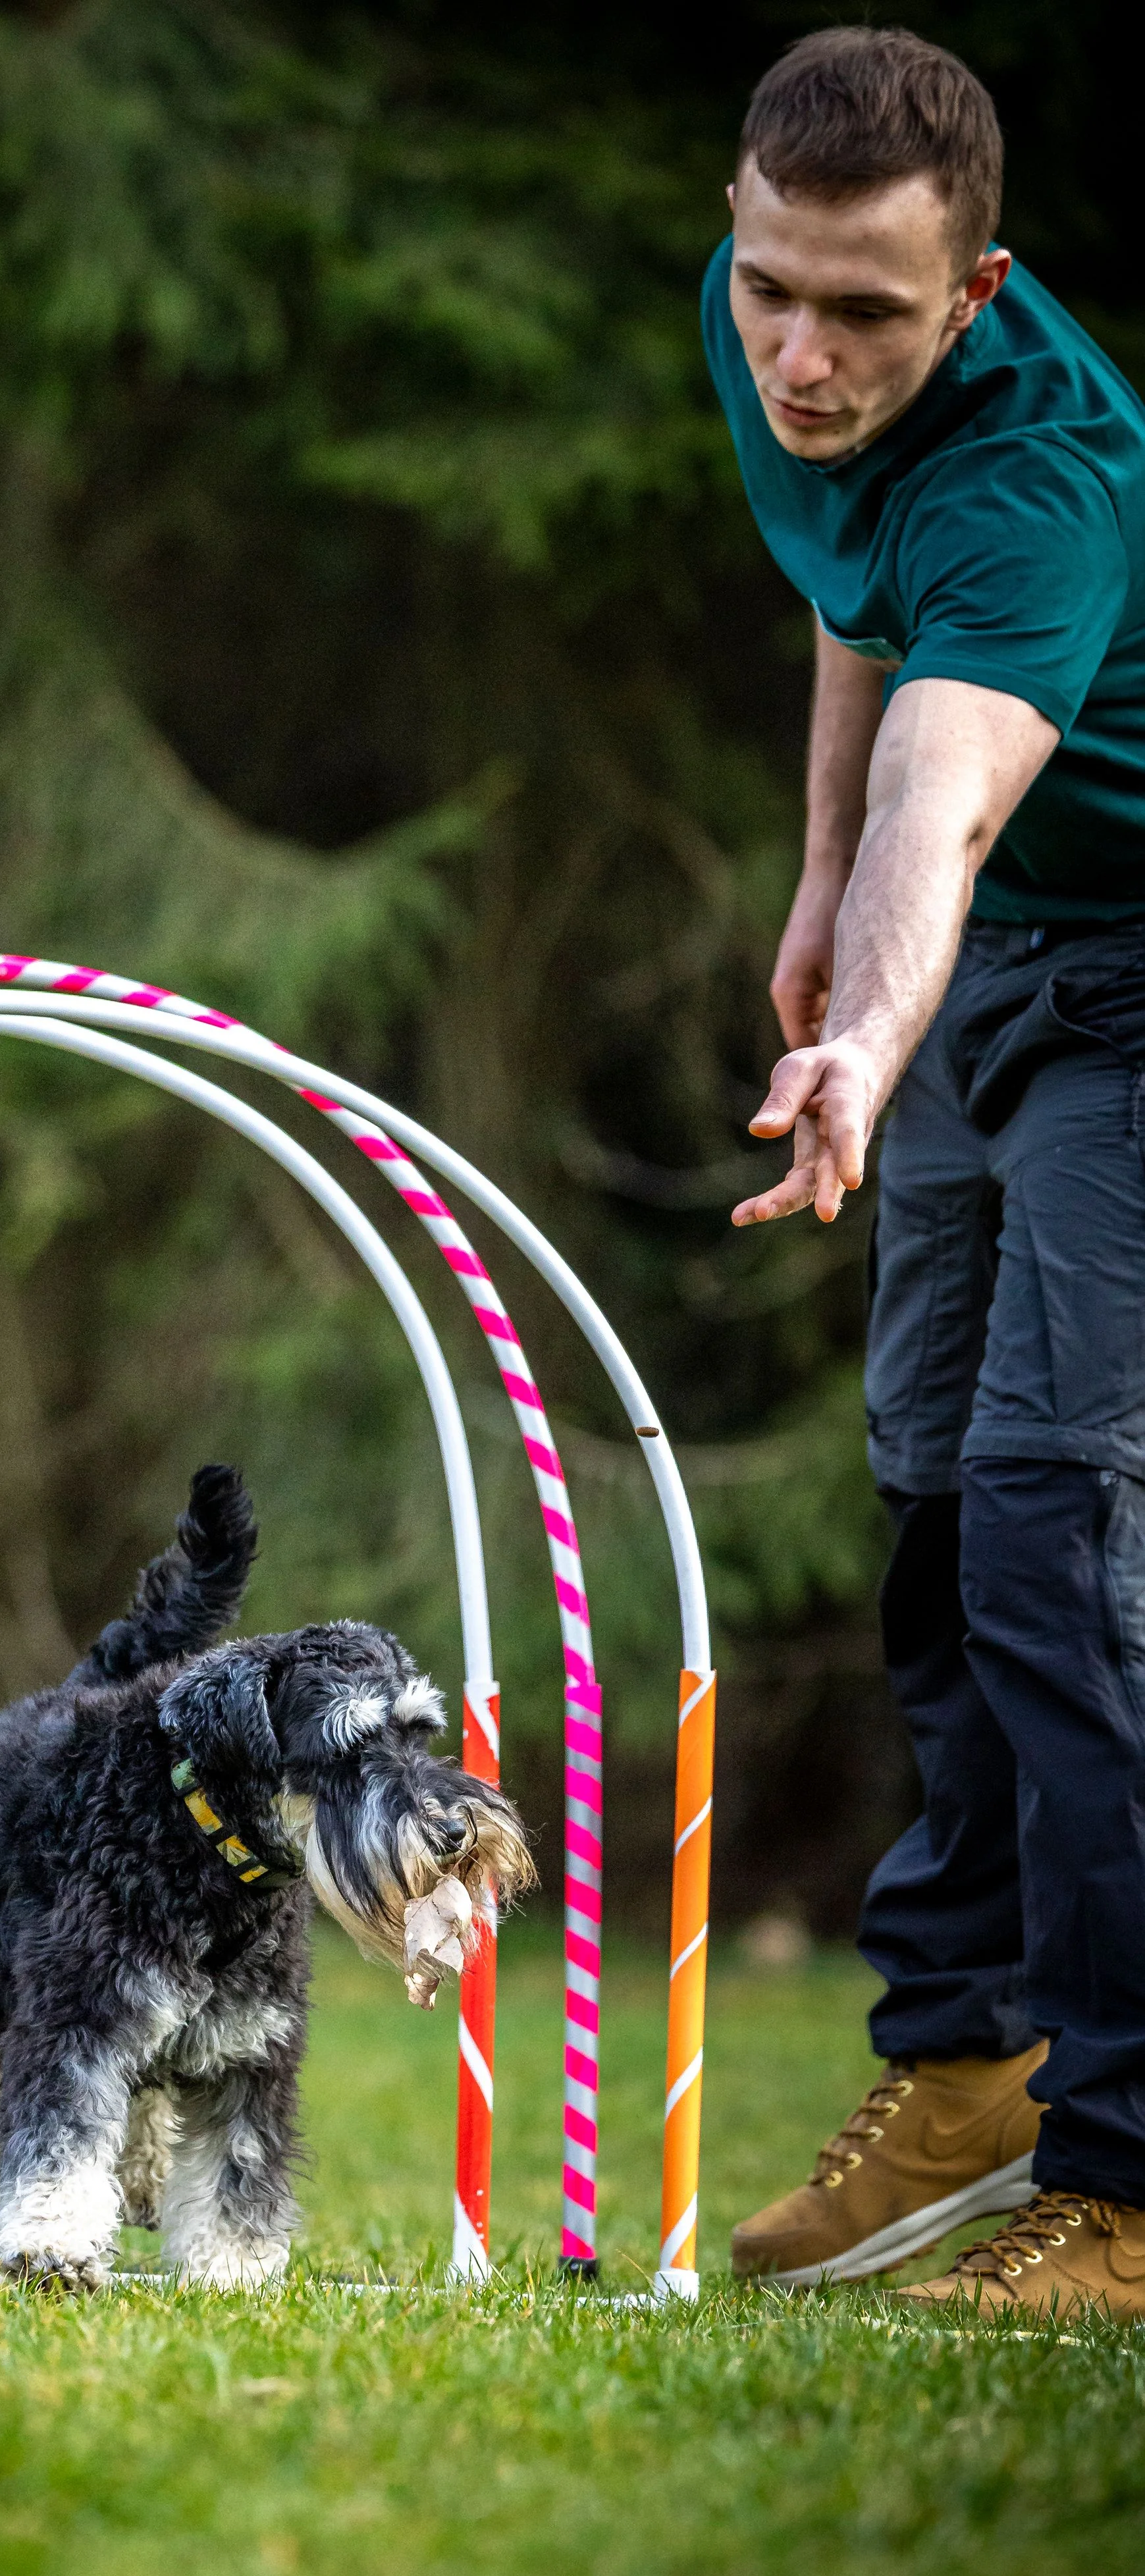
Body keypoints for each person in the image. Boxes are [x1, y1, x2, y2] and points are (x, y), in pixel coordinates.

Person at [708, 24, 1145, 2316]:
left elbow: (948, 793)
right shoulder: (767, 306)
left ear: (975, 294)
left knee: (1067, 1543)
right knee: (941, 1518)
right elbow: (846, 596)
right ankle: (965, 2065)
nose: (805, 351)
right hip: (984, 965)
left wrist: (868, 1020)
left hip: (1121, 980)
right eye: (777, 286)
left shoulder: (1048, 476)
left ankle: (1131, 2176)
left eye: (869, 316)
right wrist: (810, 883)